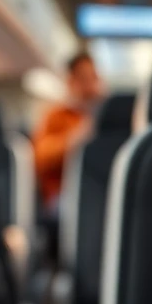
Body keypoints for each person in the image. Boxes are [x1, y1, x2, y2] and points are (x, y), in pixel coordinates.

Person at [34, 52, 104, 208]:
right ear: (71, 81)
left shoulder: (106, 115)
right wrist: (76, 138)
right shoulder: (56, 115)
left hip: (99, 188)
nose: (91, 85)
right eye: (84, 79)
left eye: (94, 78)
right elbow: (41, 159)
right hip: (64, 194)